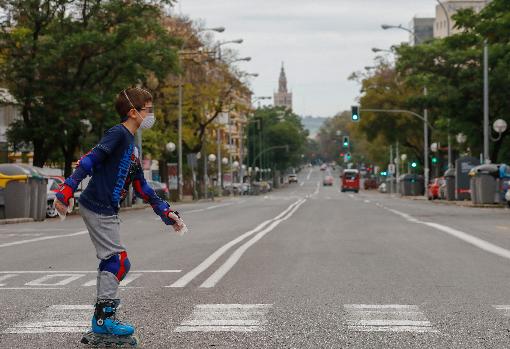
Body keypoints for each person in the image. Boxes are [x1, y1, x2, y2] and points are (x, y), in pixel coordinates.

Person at [55, 87, 185, 347]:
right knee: (117, 261)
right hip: (96, 205)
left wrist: (166, 212)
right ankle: (103, 323)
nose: (151, 115)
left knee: (115, 262)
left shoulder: (133, 147)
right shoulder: (118, 134)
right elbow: (89, 160)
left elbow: (142, 187)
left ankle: (103, 320)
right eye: (148, 109)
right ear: (133, 112)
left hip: (106, 208)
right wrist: (66, 189)